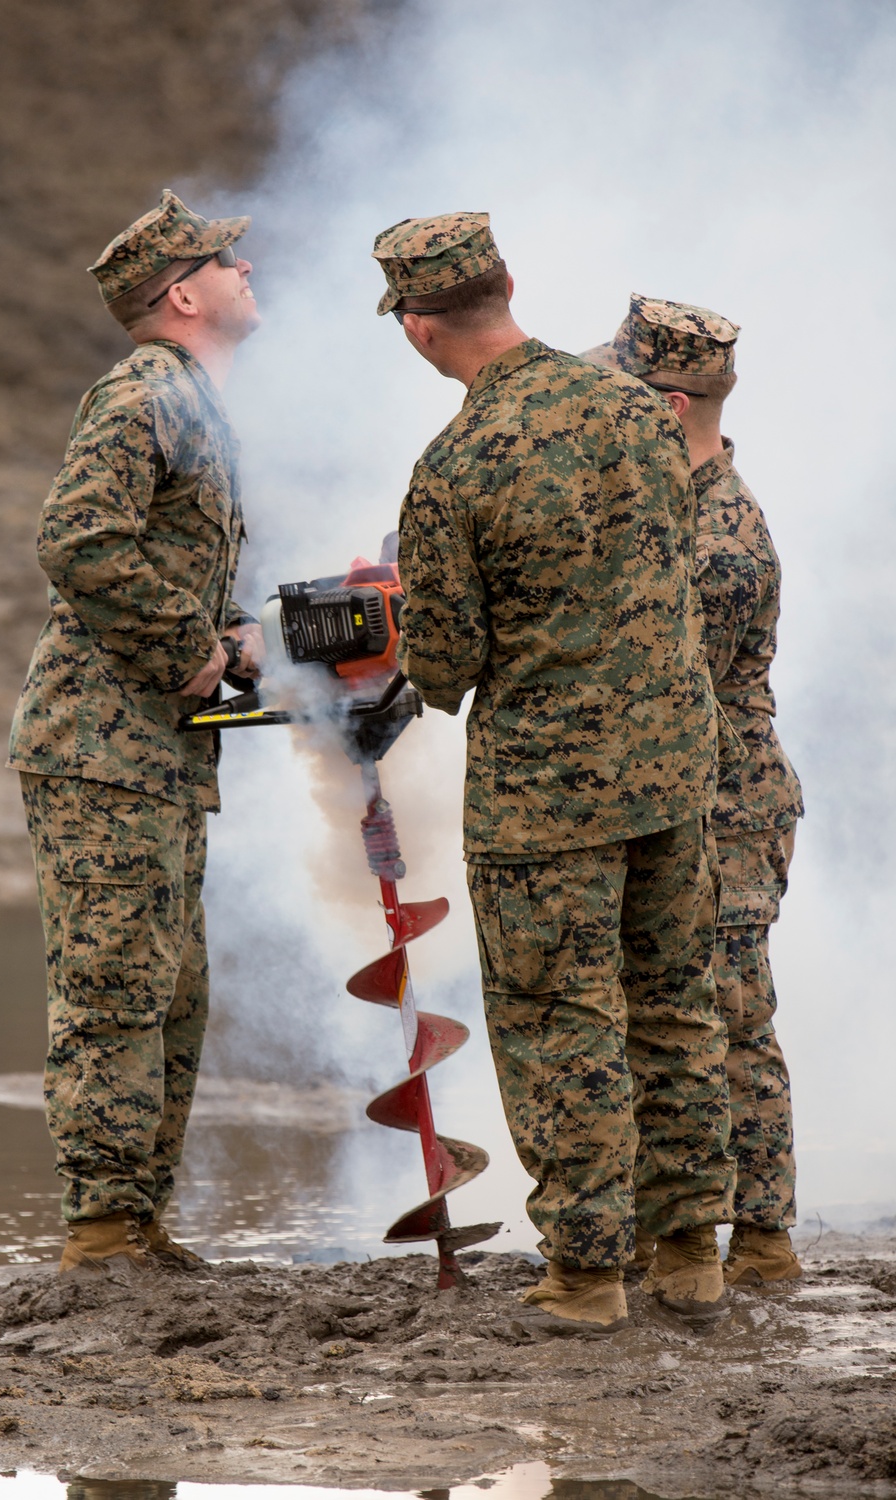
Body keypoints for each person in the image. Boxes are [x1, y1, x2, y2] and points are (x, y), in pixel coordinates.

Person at [372, 213, 736, 1334]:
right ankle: (689, 1255)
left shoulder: (453, 467)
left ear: (419, 329)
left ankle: (585, 1275)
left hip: (545, 798)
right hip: (673, 769)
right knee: (674, 1004)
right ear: (511, 285)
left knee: (556, 1017)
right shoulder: (637, 409)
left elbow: (443, 662)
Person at [8, 190, 263, 1274]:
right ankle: (102, 1234)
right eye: (226, 263)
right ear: (184, 293)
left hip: (155, 753)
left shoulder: (195, 401)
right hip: (101, 747)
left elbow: (167, 553)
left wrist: (238, 629)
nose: (248, 274)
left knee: (171, 994)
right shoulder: (147, 391)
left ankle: (139, 1222)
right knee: (116, 990)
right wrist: (194, 654)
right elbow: (77, 535)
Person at [584, 297, 804, 1285]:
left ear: (667, 408)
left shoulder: (718, 543)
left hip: (727, 811)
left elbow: (647, 675)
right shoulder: (669, 507)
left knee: (726, 1016)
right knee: (669, 1013)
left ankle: (757, 1242)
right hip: (686, 803)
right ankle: (675, 1224)